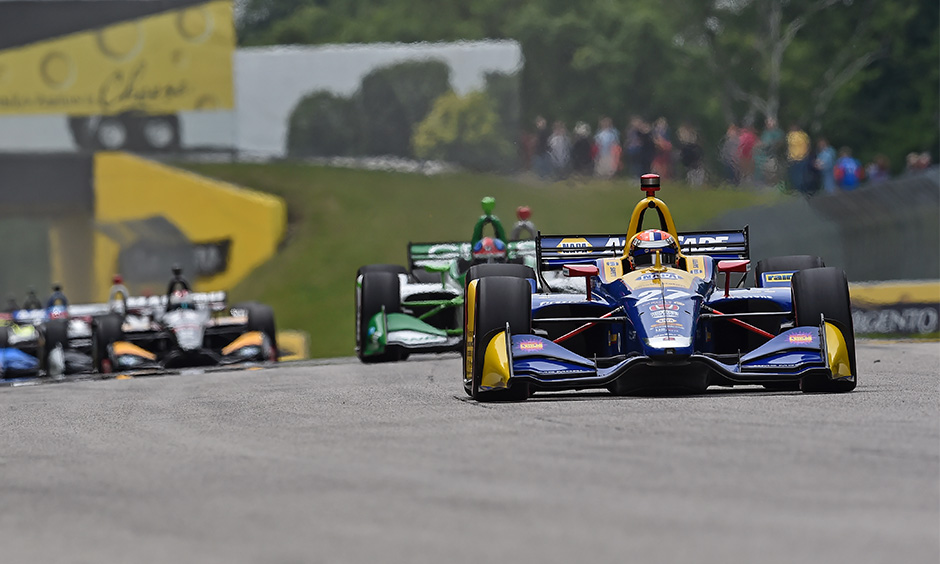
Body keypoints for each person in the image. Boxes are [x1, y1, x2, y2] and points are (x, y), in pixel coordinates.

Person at [786, 123, 812, 194]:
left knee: (796, 175)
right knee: (801, 174)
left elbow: (789, 147)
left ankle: (797, 189)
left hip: (794, 158)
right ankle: (801, 190)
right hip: (801, 157)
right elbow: (808, 145)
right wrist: (806, 154)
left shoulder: (791, 135)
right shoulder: (804, 135)